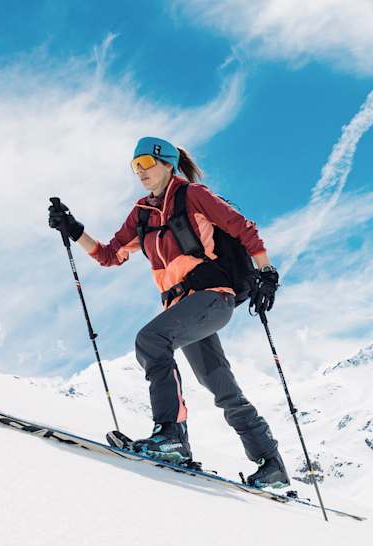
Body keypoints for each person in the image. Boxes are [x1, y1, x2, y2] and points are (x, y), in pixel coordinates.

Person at [47, 136, 288, 488]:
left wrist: (266, 271)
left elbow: (244, 228)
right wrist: (73, 230)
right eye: (135, 166)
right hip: (182, 307)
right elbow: (110, 255)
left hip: (212, 298)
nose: (140, 171)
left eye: (146, 163)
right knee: (218, 383)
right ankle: (271, 464)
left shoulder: (193, 196)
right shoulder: (141, 215)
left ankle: (171, 435)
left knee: (151, 340)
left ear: (167, 163)